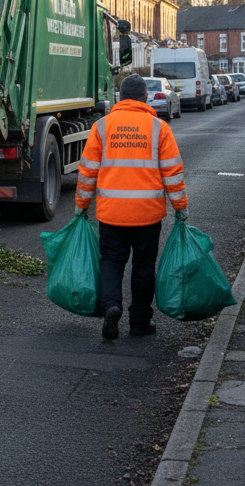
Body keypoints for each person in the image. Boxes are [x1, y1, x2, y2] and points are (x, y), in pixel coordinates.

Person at [75, 73, 188, 340]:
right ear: (145, 97)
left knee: (112, 261)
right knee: (144, 266)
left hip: (112, 212)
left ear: (120, 97)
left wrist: (81, 205)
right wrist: (180, 207)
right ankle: (139, 322)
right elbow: (172, 172)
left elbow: (87, 171)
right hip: (147, 214)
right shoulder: (159, 128)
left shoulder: (102, 127)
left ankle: (111, 306)